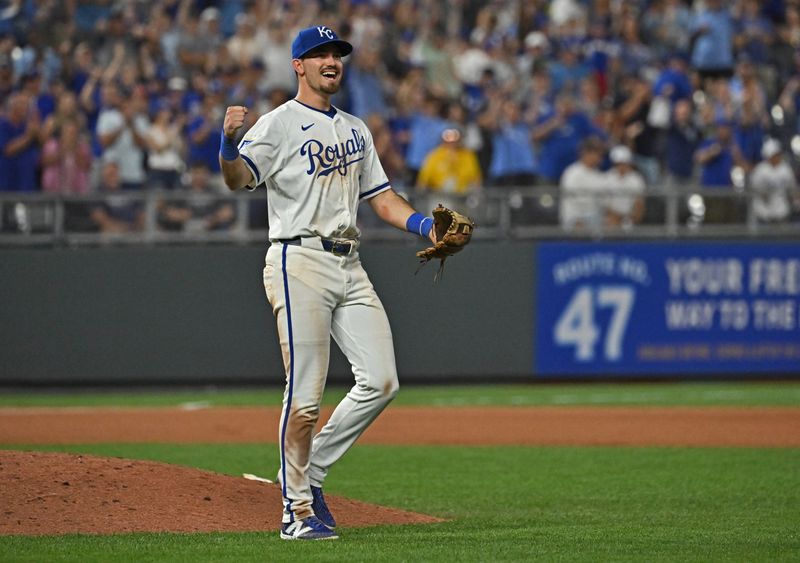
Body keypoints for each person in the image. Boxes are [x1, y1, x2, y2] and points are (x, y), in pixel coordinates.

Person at [219, 25, 437, 541]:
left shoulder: (356, 129)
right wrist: (227, 144)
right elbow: (237, 180)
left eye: (336, 53)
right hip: (299, 261)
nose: (330, 61)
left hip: (349, 263)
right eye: (318, 54)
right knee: (304, 399)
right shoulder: (278, 124)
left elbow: (381, 198)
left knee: (382, 380)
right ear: (298, 65)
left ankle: (309, 473)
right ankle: (295, 513)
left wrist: (425, 226)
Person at [559, 136, 608, 232]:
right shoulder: (572, 173)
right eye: (597, 154)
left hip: (596, 218)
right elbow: (574, 201)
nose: (600, 158)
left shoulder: (599, 175)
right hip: (575, 218)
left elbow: (604, 201)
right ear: (586, 153)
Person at [749, 139, 798, 223]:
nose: (776, 156)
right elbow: (754, 189)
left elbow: (792, 189)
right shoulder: (760, 170)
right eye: (774, 154)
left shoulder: (785, 169)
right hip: (763, 211)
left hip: (781, 211)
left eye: (777, 154)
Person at [603, 145, 646, 229]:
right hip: (611, 218)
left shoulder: (636, 179)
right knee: (610, 223)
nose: (622, 166)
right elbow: (605, 206)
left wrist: (633, 219)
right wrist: (617, 218)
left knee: (628, 225)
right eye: (619, 164)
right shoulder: (607, 178)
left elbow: (639, 204)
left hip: (629, 218)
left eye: (624, 163)